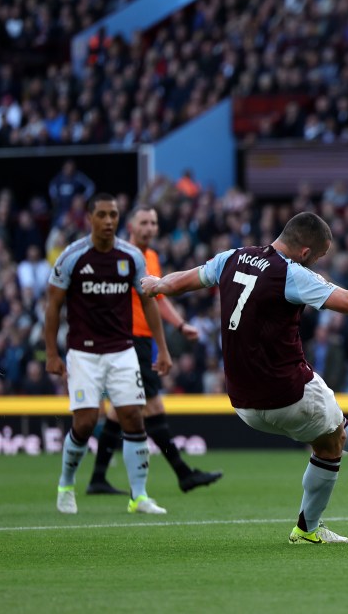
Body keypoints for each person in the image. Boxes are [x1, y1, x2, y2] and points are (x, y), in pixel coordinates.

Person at [140, 212, 348, 545]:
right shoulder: (293, 273)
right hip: (288, 390)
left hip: (243, 401)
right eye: (318, 256)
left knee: (332, 426)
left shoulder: (232, 257)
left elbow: (185, 280)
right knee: (331, 443)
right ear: (305, 252)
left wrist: (157, 284)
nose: (316, 262)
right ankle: (307, 529)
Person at [46, 193, 173, 515]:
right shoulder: (72, 257)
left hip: (122, 351)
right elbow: (53, 306)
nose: (108, 221)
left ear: (119, 218)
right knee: (86, 422)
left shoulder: (131, 256)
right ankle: (65, 484)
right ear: (89, 218)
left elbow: (149, 301)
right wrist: (51, 353)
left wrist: (163, 349)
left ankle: (139, 496)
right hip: (83, 353)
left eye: (113, 215)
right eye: (101, 215)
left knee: (132, 416)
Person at [86, 205, 223, 496]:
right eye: (144, 222)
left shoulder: (151, 258)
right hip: (127, 338)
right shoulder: (119, 255)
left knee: (118, 412)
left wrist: (180, 324)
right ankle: (183, 473)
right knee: (152, 406)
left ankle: (98, 477)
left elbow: (157, 297)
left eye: (154, 223)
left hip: (141, 339)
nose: (150, 227)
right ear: (131, 226)